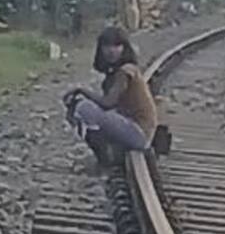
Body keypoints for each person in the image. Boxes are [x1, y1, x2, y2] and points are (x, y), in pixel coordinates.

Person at [64, 25, 158, 166]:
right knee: (85, 109)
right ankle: (110, 155)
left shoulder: (125, 71)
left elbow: (108, 103)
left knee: (84, 108)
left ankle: (104, 161)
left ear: (124, 48)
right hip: (134, 130)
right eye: (106, 46)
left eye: (117, 46)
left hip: (139, 132)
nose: (111, 51)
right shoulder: (116, 72)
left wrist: (82, 91)